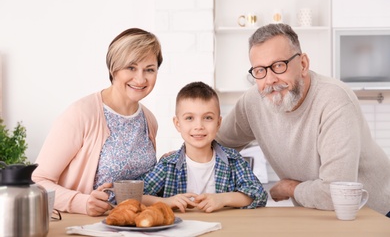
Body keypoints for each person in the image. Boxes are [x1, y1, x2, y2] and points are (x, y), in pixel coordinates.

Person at [215, 23, 390, 217]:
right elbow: (216, 145)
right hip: (321, 214)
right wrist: (180, 157)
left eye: (279, 65)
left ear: (303, 64)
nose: (270, 79)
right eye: (259, 71)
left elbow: (336, 193)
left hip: (376, 213)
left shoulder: (335, 101)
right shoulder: (252, 103)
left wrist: (290, 188)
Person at [32, 28, 163, 216]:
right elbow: (37, 181)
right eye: (131, 68)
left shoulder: (149, 120)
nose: (140, 78)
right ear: (113, 68)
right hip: (87, 227)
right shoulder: (81, 114)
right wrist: (82, 203)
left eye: (149, 69)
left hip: (132, 225)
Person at [142, 81, 268, 213]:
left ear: (218, 123)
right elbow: (137, 196)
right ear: (178, 124)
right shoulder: (168, 165)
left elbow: (259, 194)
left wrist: (222, 199)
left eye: (207, 118)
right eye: (189, 118)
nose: (199, 126)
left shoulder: (233, 160)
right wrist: (166, 201)